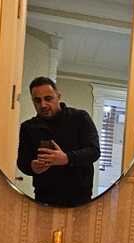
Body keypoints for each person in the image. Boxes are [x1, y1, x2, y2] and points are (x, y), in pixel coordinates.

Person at [17, 77, 100, 206]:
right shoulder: (28, 127)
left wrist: (66, 158)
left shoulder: (80, 118)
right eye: (37, 100)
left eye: (48, 98)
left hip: (79, 200)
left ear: (58, 97)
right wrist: (32, 167)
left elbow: (94, 151)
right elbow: (22, 163)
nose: (43, 105)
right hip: (43, 199)